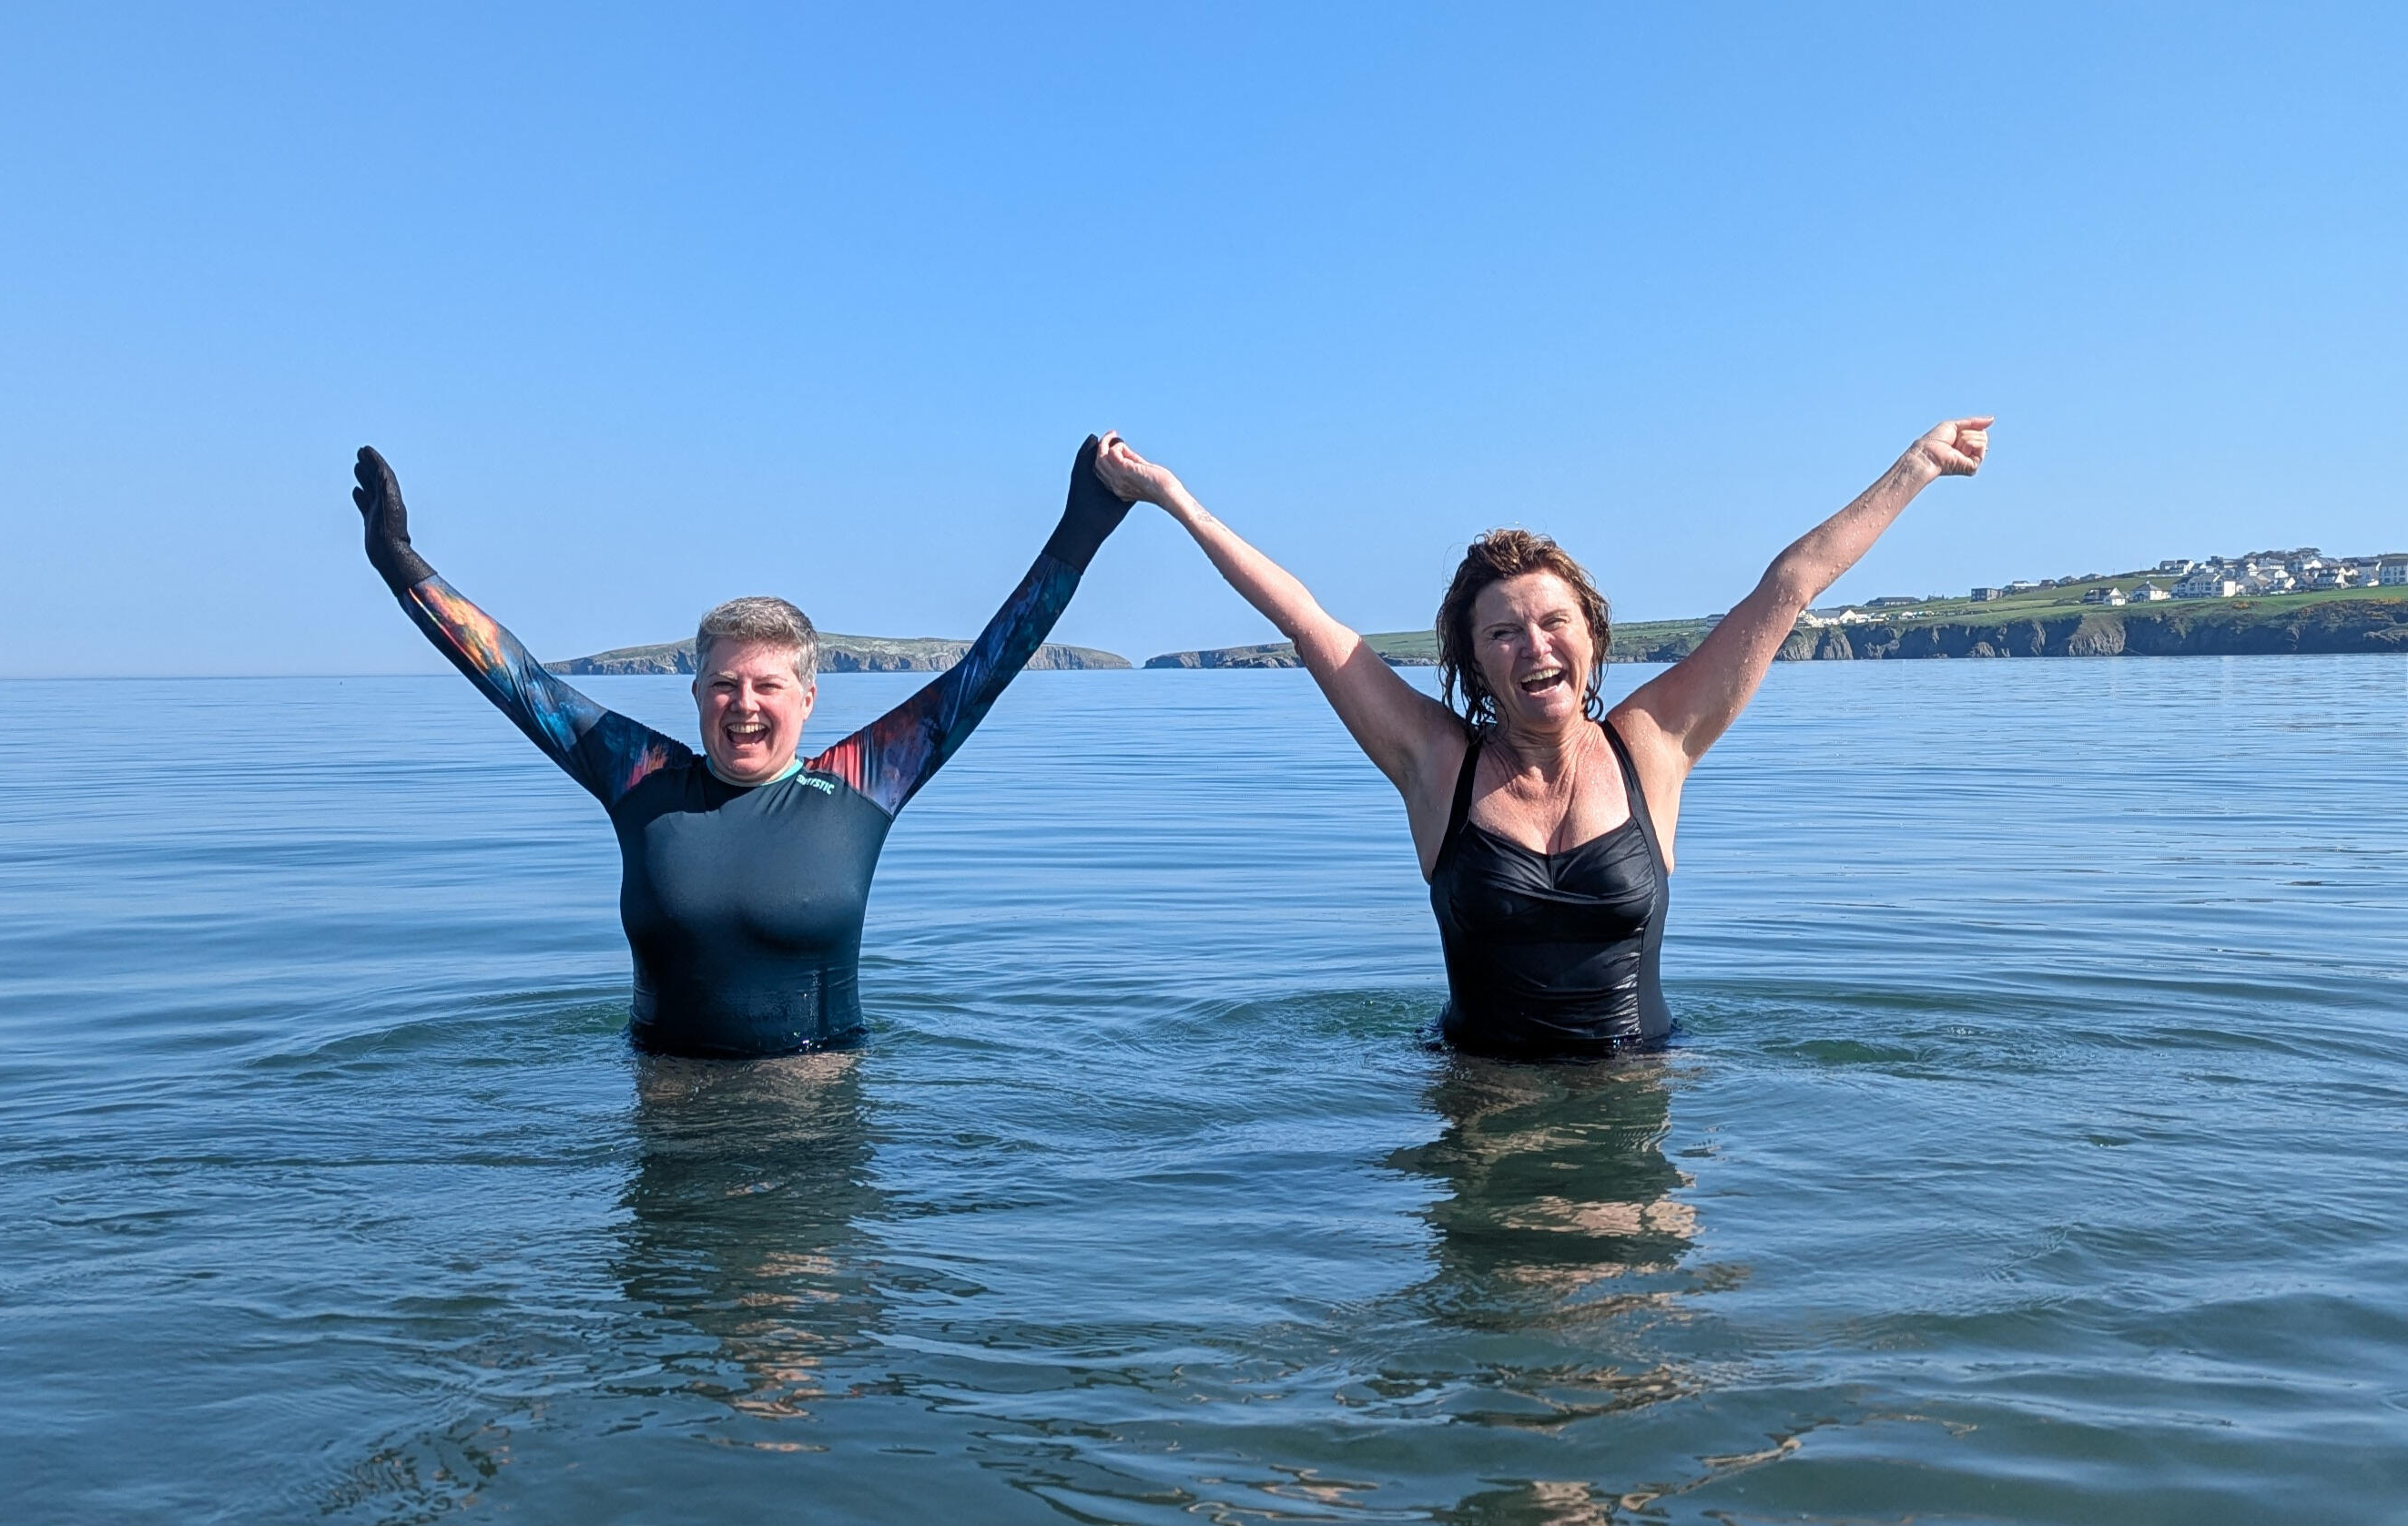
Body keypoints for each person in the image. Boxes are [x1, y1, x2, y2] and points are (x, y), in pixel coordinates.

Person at [1093, 419, 1992, 1055]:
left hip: (1634, 1095)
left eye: (1554, 622)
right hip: (1479, 1101)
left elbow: (1788, 587)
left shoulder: (1654, 745)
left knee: (1625, 1274)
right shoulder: (1435, 764)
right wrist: (1175, 500)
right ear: (1474, 661)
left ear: (1591, 637)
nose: (1535, 646)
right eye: (1504, 633)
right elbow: (1304, 618)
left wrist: (1916, 466)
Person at [354, 436, 1130, 1059]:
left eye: (767, 686)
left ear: (807, 699)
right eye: (724, 684)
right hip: (671, 1120)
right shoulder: (640, 777)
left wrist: (1083, 527)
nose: (745, 705)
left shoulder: (864, 782)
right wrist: (399, 561)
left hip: (815, 1122)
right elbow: (518, 680)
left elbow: (988, 666)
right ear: (697, 694)